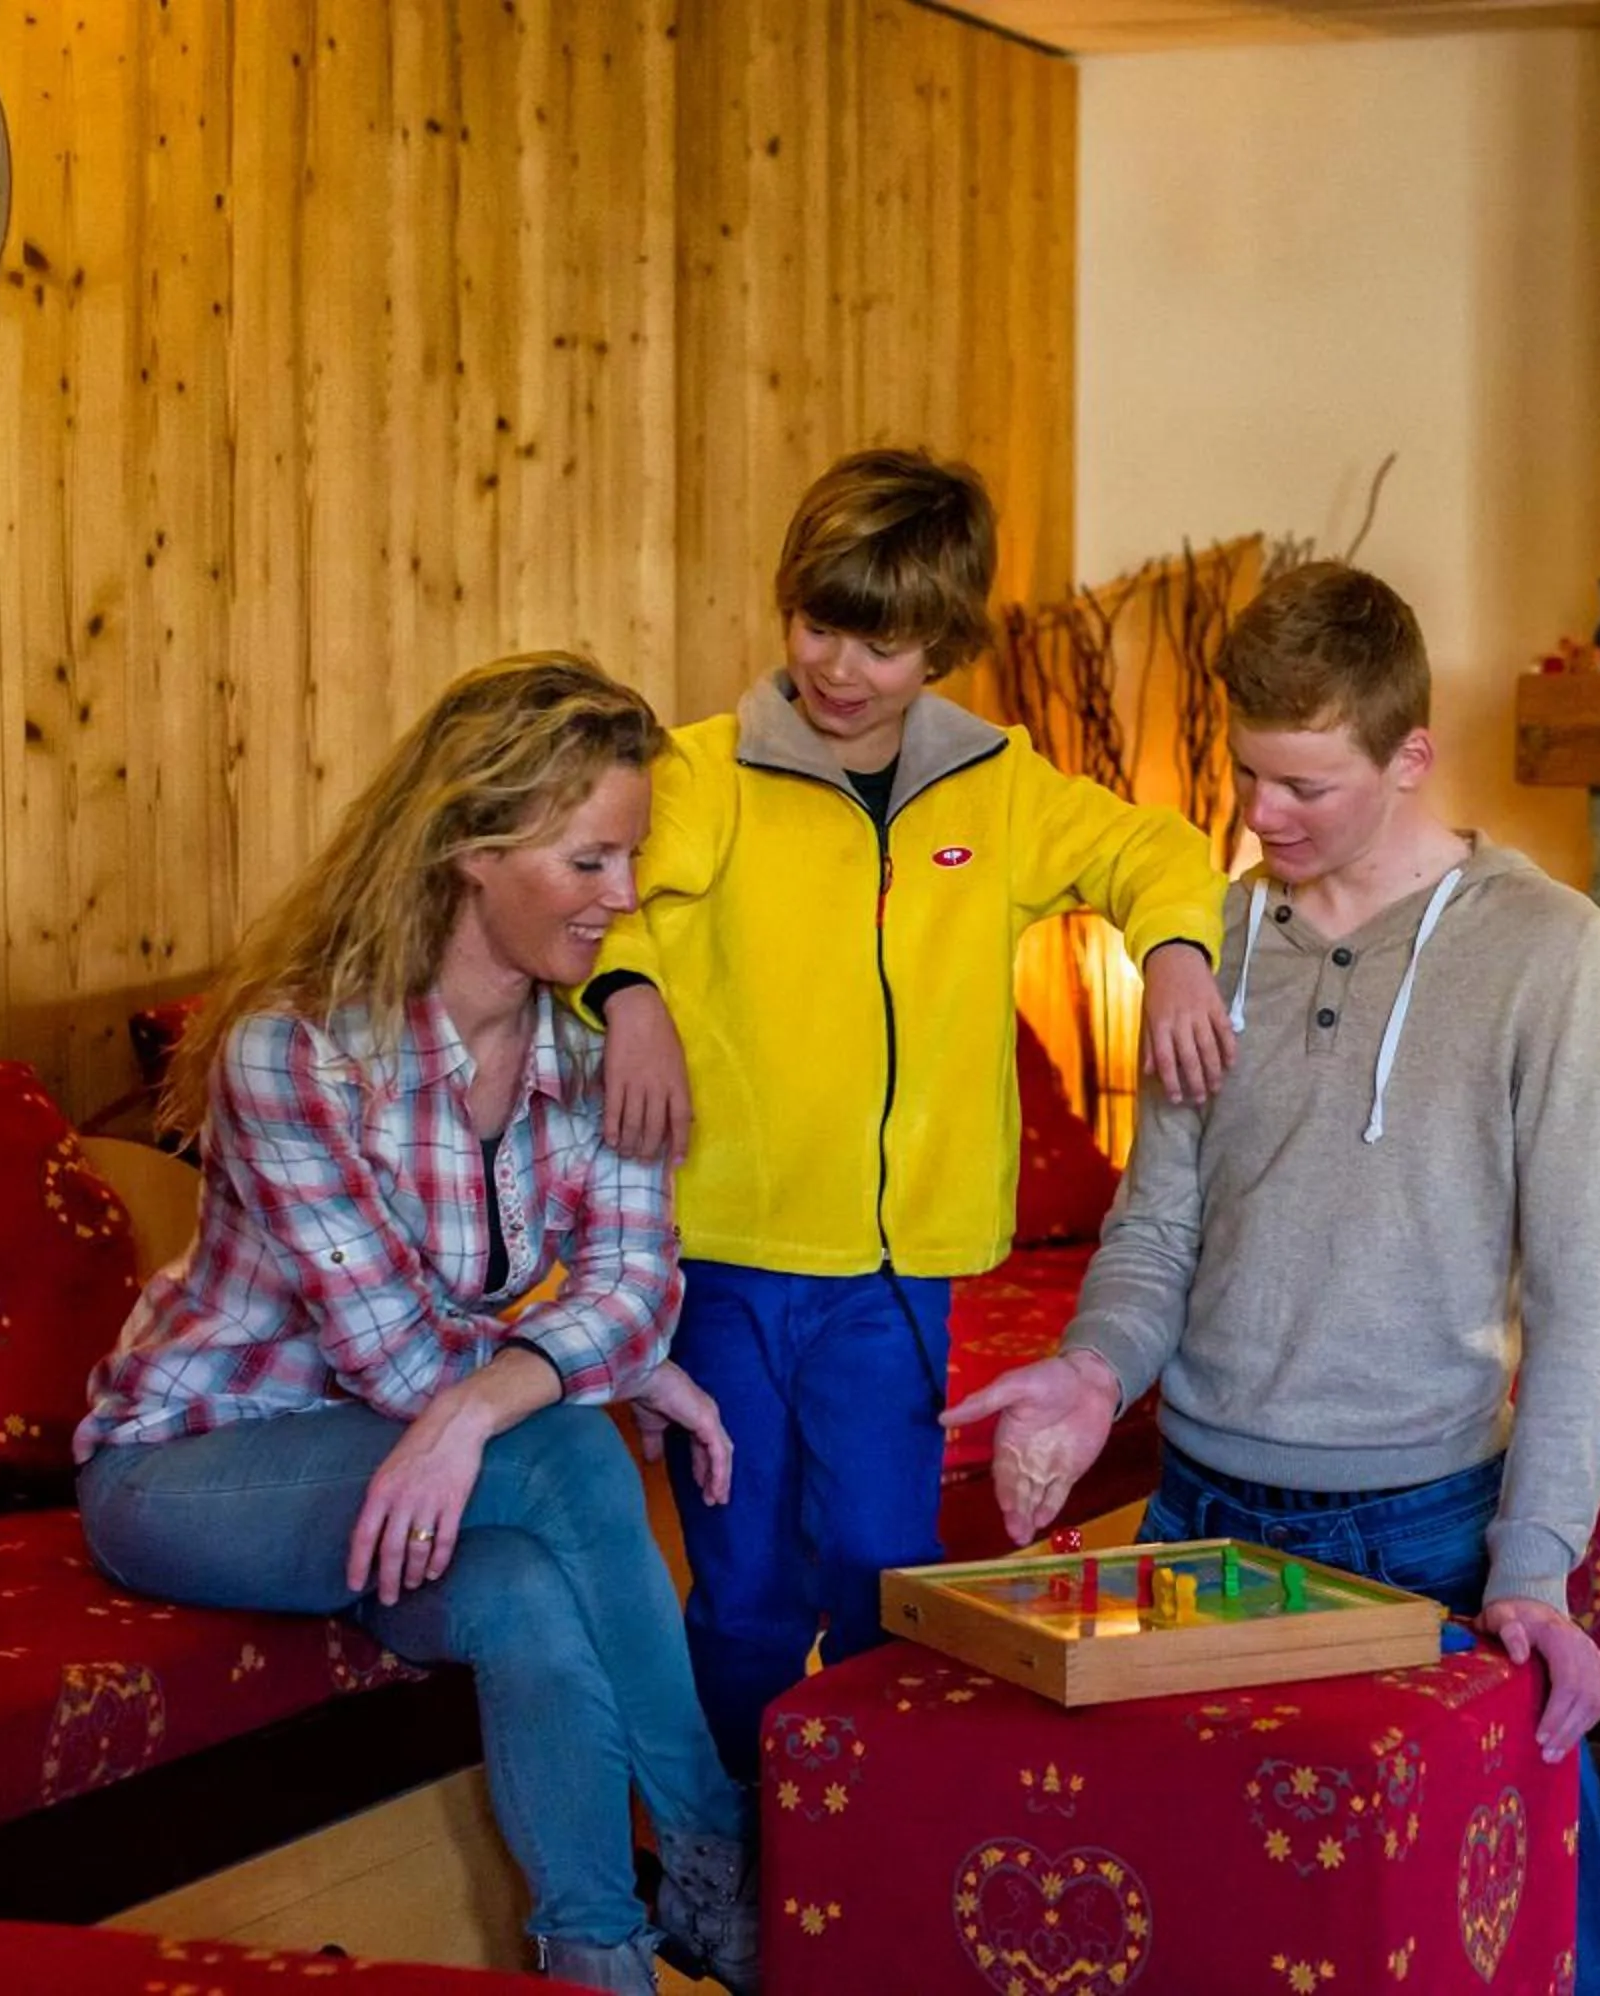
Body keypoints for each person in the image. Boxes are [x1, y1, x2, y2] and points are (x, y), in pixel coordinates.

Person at [945, 562, 1600, 1996]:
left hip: (1422, 1530)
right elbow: (1156, 1230)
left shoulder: (1548, 949)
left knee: (1579, 1981)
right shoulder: (1209, 941)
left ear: (1411, 756)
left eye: (1305, 784)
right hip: (1201, 1517)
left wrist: (1536, 1564)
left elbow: (1581, 1297)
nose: (1263, 814)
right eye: (1249, 774)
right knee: (1235, 1945)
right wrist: (1094, 1369)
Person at [76, 656, 756, 1995]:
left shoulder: (599, 1055)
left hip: (413, 1468)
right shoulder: (296, 1051)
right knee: (570, 1454)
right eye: (588, 861)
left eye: (631, 858)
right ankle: (717, 1852)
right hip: (197, 1464)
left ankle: (596, 1953)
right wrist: (586, 1378)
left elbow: (639, 1290)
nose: (625, 897)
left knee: (521, 1594)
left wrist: (544, 1382)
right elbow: (397, 1356)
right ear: (469, 850)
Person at [583, 447, 1234, 1777]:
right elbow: (602, 893)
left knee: (885, 1570)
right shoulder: (699, 774)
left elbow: (1157, 849)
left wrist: (1173, 950)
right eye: (818, 625)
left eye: (879, 645)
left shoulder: (996, 784)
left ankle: (867, 1832)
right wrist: (630, 993)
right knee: (745, 1587)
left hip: (893, 1279)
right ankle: (735, 1840)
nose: (839, 669)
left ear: (940, 645)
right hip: (724, 1258)